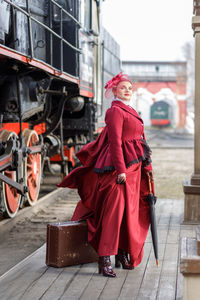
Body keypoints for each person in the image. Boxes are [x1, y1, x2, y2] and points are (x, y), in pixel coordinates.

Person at [57, 72, 153, 278]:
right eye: (123, 88)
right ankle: (105, 259)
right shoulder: (115, 112)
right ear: (114, 91)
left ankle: (120, 254)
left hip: (134, 169)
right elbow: (116, 143)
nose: (127, 90)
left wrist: (146, 163)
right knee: (114, 213)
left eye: (129, 87)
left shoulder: (130, 109)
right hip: (119, 170)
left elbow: (139, 140)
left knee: (128, 212)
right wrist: (120, 170)